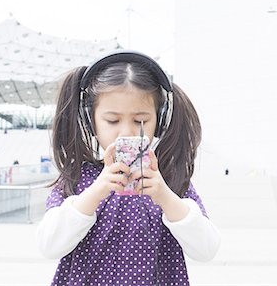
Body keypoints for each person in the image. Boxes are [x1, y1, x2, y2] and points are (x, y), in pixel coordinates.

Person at [36, 50, 221, 285]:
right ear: (90, 120)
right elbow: (49, 245)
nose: (126, 132)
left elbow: (207, 249)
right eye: (112, 120)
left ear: (160, 121)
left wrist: (165, 196)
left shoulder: (170, 181)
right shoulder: (78, 179)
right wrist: (95, 192)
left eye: (141, 121)